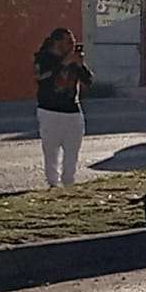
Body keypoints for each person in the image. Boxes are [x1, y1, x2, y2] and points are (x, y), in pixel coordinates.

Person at [33, 27, 93, 187]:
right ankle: (53, 182)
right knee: (51, 150)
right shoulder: (43, 58)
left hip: (72, 110)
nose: (72, 46)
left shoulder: (73, 60)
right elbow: (42, 78)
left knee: (72, 149)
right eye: (69, 42)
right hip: (49, 110)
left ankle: (69, 181)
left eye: (73, 42)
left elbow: (89, 81)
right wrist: (63, 64)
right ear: (57, 42)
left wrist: (80, 65)